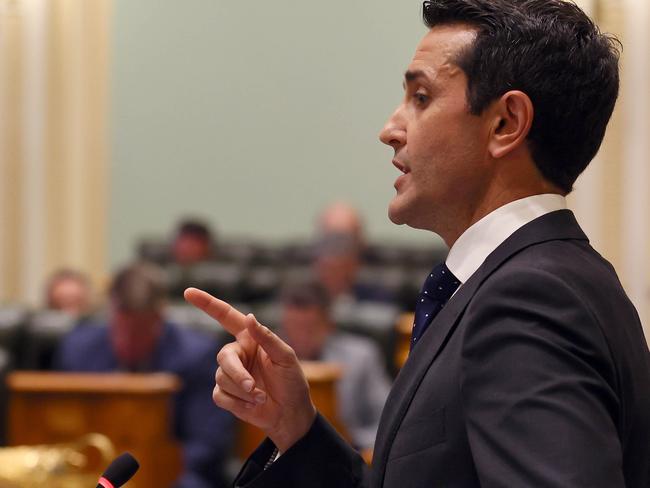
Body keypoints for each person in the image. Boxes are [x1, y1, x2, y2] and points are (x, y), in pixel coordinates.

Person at [185, 1, 650, 486]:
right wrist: (294, 425)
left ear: (506, 123)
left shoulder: (528, 299)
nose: (390, 131)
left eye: (421, 97)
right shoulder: (549, 279)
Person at [55, 263, 234, 488]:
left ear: (158, 319)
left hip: (173, 476)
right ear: (111, 313)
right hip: (92, 472)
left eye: (139, 332)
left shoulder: (197, 355)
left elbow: (207, 444)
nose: (129, 342)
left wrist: (153, 468)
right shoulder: (77, 350)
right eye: (122, 330)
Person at [279, 278, 390, 450]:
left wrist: (353, 443)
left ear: (328, 324)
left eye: (310, 327)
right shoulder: (267, 359)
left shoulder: (362, 356)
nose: (301, 337)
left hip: (347, 457)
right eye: (294, 327)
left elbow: (388, 420)